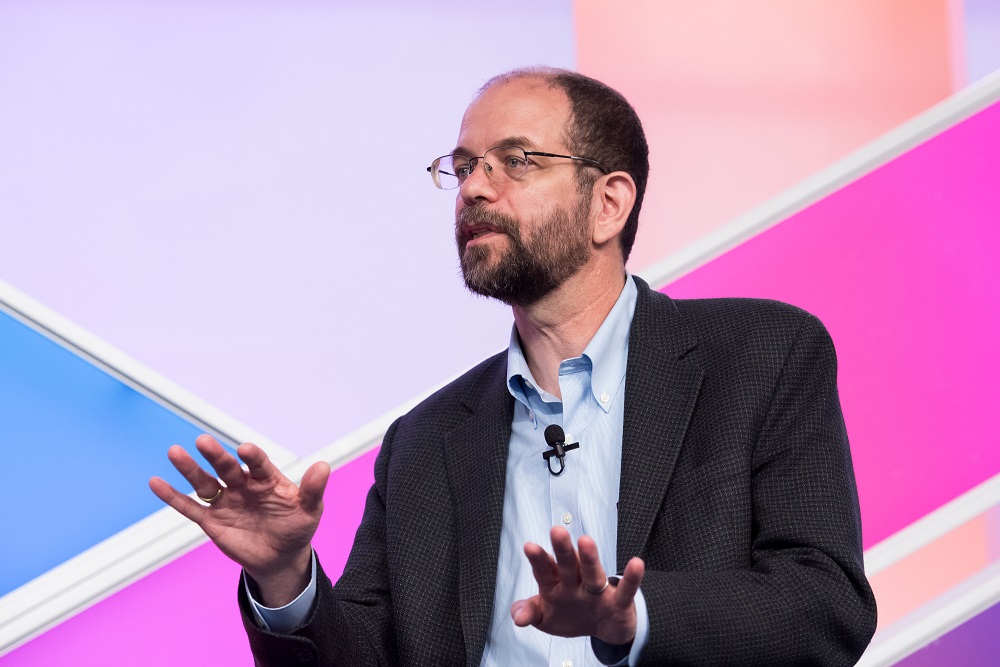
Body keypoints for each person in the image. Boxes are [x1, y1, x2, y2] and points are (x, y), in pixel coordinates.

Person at [150, 67, 876, 666]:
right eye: (464, 166)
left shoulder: (760, 356)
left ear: (608, 204)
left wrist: (631, 617)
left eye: (516, 161)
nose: (472, 187)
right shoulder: (425, 443)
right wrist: (284, 577)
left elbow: (825, 606)